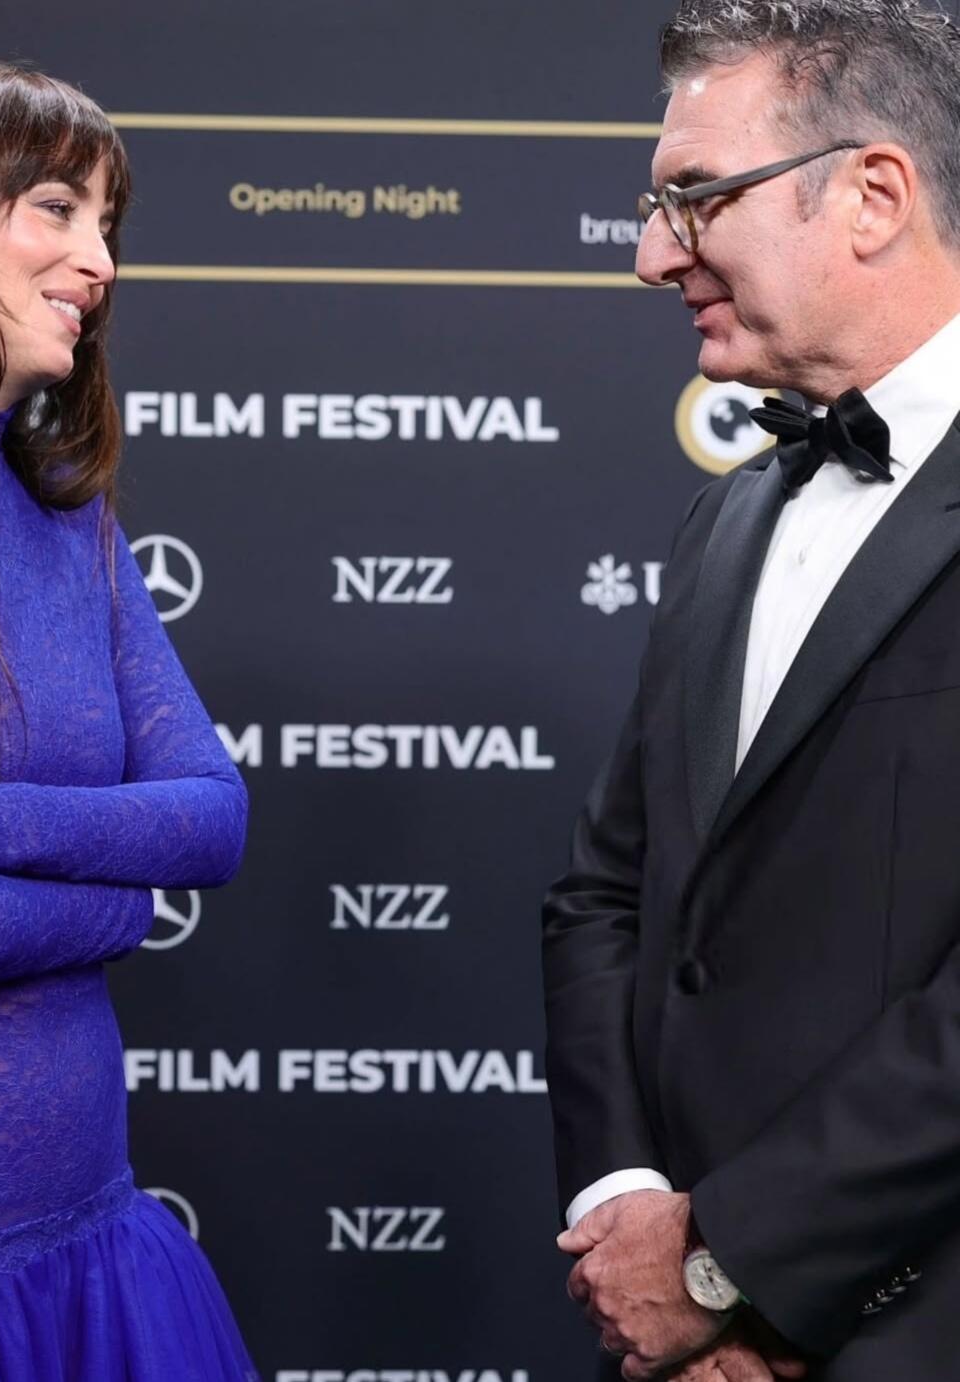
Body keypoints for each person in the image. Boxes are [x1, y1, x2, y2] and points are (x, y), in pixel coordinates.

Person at [542, 2, 960, 1379]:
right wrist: (633, 1224)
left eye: (698, 197)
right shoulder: (726, 518)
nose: (655, 254)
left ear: (874, 196)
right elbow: (606, 891)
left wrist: (731, 1265)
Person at [0, 63, 258, 1380]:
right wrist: (115, 906)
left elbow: (212, 817)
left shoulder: (67, 514)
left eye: (109, 223)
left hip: (92, 1250)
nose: (98, 262)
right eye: (56, 208)